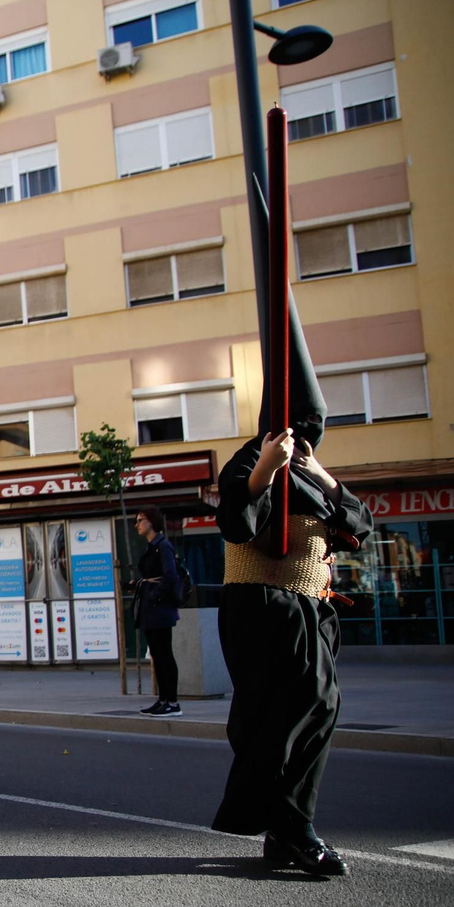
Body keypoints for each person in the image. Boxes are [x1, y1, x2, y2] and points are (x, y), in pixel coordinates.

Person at [211, 287, 373, 876]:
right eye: (298, 425)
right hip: (261, 606)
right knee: (278, 713)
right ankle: (295, 828)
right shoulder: (249, 459)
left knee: (321, 706)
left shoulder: (313, 470)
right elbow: (234, 522)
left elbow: (361, 524)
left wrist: (325, 478)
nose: (307, 433)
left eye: (315, 426)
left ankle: (287, 828)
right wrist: (264, 470)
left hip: (313, 607)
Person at [134, 507, 183, 716]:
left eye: (140, 520)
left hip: (159, 608)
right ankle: (163, 699)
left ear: (151, 521)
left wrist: (155, 594)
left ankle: (172, 701)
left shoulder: (162, 546)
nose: (137, 524)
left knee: (164, 654)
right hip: (151, 607)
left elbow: (170, 575)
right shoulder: (152, 546)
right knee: (157, 654)